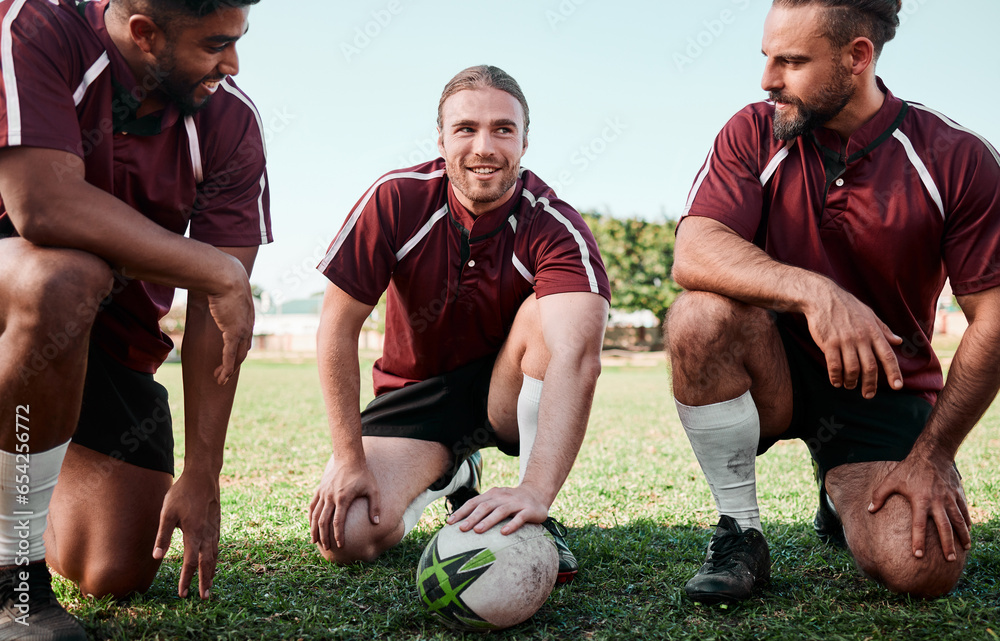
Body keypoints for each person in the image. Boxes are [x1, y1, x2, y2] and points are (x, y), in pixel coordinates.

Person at [668, 0, 1000, 603]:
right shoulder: (754, 128)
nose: (768, 79)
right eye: (768, 57)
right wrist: (816, 292)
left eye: (791, 62)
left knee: (922, 568)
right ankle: (740, 530)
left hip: (880, 387)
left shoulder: (955, 156)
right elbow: (694, 250)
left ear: (857, 58)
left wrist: (932, 456)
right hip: (770, 371)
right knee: (697, 314)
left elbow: (994, 320)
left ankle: (839, 491)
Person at [0, 0, 269, 637]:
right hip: (16, 300)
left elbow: (217, 317)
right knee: (65, 277)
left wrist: (204, 471)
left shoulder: (230, 122)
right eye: (214, 45)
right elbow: (43, 203)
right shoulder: (35, 27)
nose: (232, 64)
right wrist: (217, 270)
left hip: (107, 344)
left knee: (114, 568)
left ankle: (26, 453)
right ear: (145, 35)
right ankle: (15, 580)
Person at [308, 65, 610, 583]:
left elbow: (576, 356)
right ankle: (455, 472)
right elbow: (337, 328)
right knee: (349, 537)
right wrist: (348, 456)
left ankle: (530, 515)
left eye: (503, 129)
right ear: (442, 140)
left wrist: (537, 491)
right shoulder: (396, 199)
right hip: (417, 392)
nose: (484, 147)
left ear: (525, 141)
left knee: (547, 312)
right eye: (466, 129)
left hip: (507, 391)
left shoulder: (554, 225)